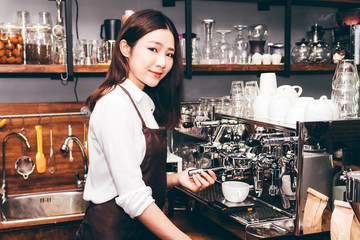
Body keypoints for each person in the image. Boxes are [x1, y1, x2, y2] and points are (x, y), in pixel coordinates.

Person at [76, 9, 216, 240]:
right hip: (111, 234)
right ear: (125, 49)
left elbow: (135, 177)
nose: (162, 62)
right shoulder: (115, 105)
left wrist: (176, 178)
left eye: (170, 54)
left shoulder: (143, 102)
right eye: (153, 49)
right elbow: (133, 195)